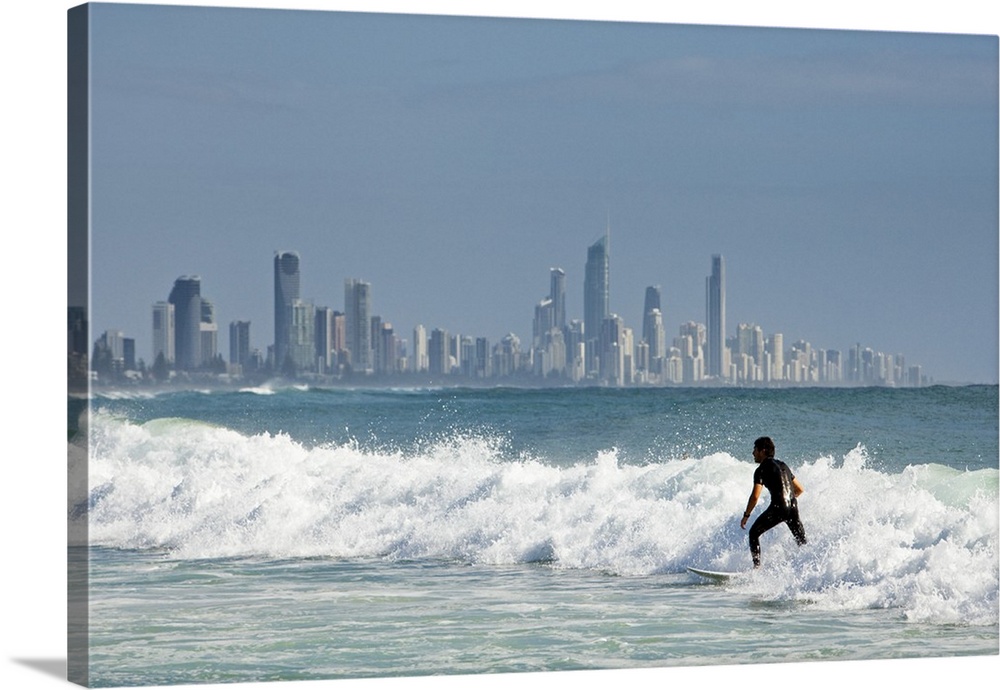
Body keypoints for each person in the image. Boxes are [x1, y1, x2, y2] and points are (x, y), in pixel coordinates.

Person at [740, 436, 807, 568]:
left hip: (779, 507)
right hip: (793, 506)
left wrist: (746, 515)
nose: (753, 453)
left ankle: (756, 569)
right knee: (802, 541)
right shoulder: (783, 465)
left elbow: (755, 496)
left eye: (755, 449)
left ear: (763, 451)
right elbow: (799, 489)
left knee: (753, 533)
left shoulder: (761, 470)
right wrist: (787, 502)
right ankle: (809, 565)